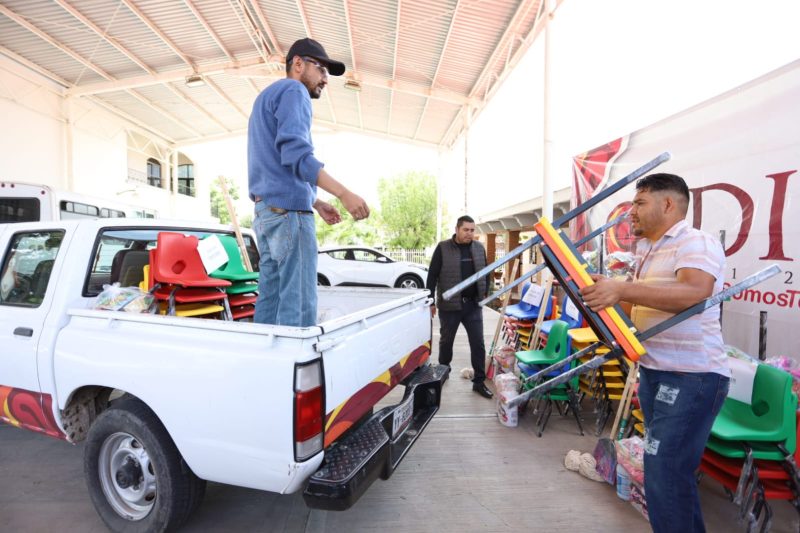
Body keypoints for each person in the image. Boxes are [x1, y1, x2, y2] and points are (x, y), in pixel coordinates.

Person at [580, 173, 729, 533]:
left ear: (667, 204)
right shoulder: (647, 249)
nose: (631, 211)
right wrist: (601, 294)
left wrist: (623, 290)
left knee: (665, 473)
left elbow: (694, 293)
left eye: (639, 202)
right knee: (668, 475)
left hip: (691, 376)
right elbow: (637, 308)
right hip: (656, 371)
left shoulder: (695, 243)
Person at [248, 38, 370, 327]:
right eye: (322, 69)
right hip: (289, 218)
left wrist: (314, 200)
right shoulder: (294, 90)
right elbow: (296, 154)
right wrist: (343, 193)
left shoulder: (265, 97)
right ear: (298, 64)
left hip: (266, 214)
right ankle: (295, 370)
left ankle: (266, 370)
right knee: (298, 306)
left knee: (270, 302)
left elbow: (274, 163)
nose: (326, 79)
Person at [427, 215, 493, 399]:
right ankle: (443, 373)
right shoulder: (443, 248)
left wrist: (485, 291)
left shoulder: (479, 248)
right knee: (446, 342)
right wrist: (430, 301)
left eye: (472, 230)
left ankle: (479, 382)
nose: (469, 234)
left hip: (473, 305)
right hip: (450, 306)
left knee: (478, 344)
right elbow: (432, 275)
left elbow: (486, 271)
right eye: (466, 230)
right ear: (457, 229)